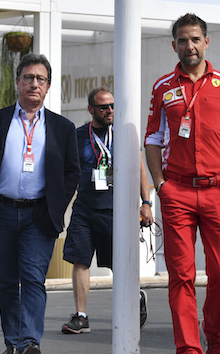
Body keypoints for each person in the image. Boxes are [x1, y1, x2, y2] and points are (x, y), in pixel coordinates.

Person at [144, 13, 220, 354]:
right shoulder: (163, 87)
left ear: (206, 42)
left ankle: (214, 335)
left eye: (195, 39)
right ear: (174, 45)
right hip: (176, 191)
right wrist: (160, 185)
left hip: (219, 191)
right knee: (181, 275)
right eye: (182, 40)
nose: (189, 46)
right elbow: (153, 139)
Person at [0, 53, 80, 354]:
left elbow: (72, 172)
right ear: (17, 82)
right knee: (7, 283)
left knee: (33, 280)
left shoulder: (62, 127)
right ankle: (12, 343)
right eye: (28, 77)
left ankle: (30, 343)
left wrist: (57, 204)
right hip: (2, 213)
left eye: (40, 79)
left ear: (48, 86)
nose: (34, 84)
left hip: (39, 216)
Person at [60, 87, 154, 334]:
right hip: (84, 208)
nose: (110, 111)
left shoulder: (123, 134)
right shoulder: (79, 135)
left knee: (119, 264)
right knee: (80, 260)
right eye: (104, 107)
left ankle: (135, 298)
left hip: (116, 210)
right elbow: (69, 174)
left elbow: (140, 170)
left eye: (112, 106)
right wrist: (60, 208)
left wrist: (146, 203)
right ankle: (81, 316)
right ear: (91, 109)